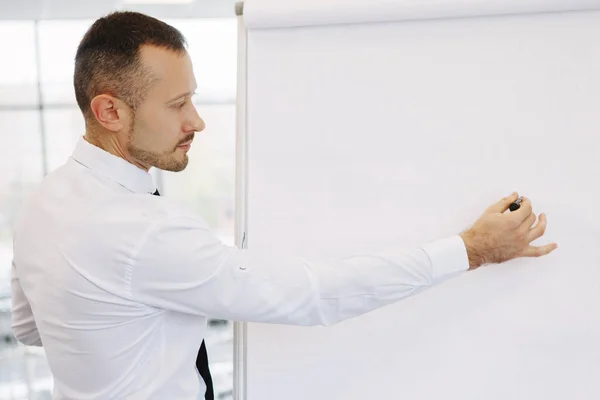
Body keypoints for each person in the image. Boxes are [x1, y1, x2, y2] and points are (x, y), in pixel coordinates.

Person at [10, 11, 557, 400]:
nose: (197, 120)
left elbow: (32, 330)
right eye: (178, 104)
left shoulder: (44, 202)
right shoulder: (142, 232)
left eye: (194, 97)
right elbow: (315, 295)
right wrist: (471, 249)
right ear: (109, 111)